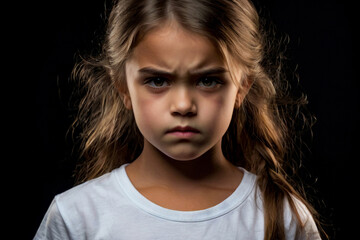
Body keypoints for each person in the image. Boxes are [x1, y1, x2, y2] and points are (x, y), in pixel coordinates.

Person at [34, 0, 327, 239]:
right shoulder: (77, 218)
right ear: (123, 87)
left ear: (242, 87)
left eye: (209, 81)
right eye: (158, 81)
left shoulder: (285, 219)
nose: (184, 105)